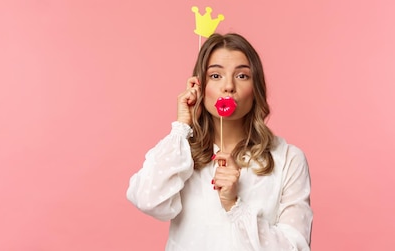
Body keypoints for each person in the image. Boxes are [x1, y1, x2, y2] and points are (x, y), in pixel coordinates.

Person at [126, 33, 313, 250]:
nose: (228, 86)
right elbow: (148, 200)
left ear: (256, 89)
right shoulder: (180, 154)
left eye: (242, 76)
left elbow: (296, 246)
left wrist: (235, 206)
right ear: (199, 87)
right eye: (215, 76)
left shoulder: (289, 158)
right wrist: (182, 126)